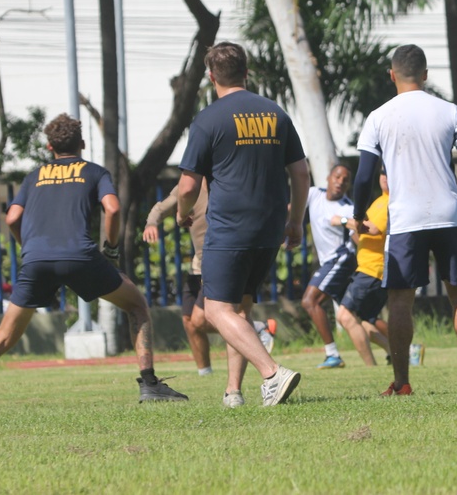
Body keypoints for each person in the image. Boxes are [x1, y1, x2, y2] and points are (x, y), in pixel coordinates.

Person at [0, 114, 187, 412]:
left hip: (36, 259)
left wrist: (30, 248)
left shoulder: (35, 176)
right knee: (136, 305)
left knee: (3, 337)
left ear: (49, 147)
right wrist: (112, 249)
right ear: (81, 143)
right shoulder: (94, 172)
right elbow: (114, 208)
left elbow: (12, 217)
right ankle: (149, 383)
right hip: (80, 255)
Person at [176, 41, 308, 408]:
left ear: (210, 76)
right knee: (240, 308)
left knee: (217, 310)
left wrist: (181, 211)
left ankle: (272, 373)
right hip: (269, 227)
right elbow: (300, 172)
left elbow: (187, 185)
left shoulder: (208, 119)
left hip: (230, 228)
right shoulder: (275, 113)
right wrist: (295, 220)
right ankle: (233, 391)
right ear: (246, 73)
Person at [351, 44, 457, 396]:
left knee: (400, 300)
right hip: (448, 214)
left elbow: (364, 176)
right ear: (425, 75)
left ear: (392, 75)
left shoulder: (378, 117)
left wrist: (357, 213)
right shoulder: (450, 111)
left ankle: (402, 382)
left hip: (406, 218)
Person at [143, 185, 275, 377]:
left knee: (200, 319)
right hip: (198, 263)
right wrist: (151, 223)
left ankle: (256, 328)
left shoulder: (225, 182)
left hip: (217, 262)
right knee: (188, 320)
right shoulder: (188, 185)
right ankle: (205, 373)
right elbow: (162, 208)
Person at [301, 164, 357, 369]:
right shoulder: (314, 194)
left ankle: (332, 354)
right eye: (337, 176)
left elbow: (359, 229)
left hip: (341, 258)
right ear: (328, 177)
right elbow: (294, 207)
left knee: (309, 301)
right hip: (330, 261)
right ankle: (406, 348)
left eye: (345, 179)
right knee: (358, 313)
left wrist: (343, 221)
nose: (340, 182)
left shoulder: (348, 208)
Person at [336, 167, 392, 366]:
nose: (385, 177)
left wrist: (343, 221)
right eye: (382, 172)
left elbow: (375, 229)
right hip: (368, 268)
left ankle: (370, 366)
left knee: (345, 315)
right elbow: (363, 233)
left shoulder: (391, 203)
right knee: (366, 321)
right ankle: (399, 353)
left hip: (372, 270)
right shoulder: (378, 201)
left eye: (390, 172)